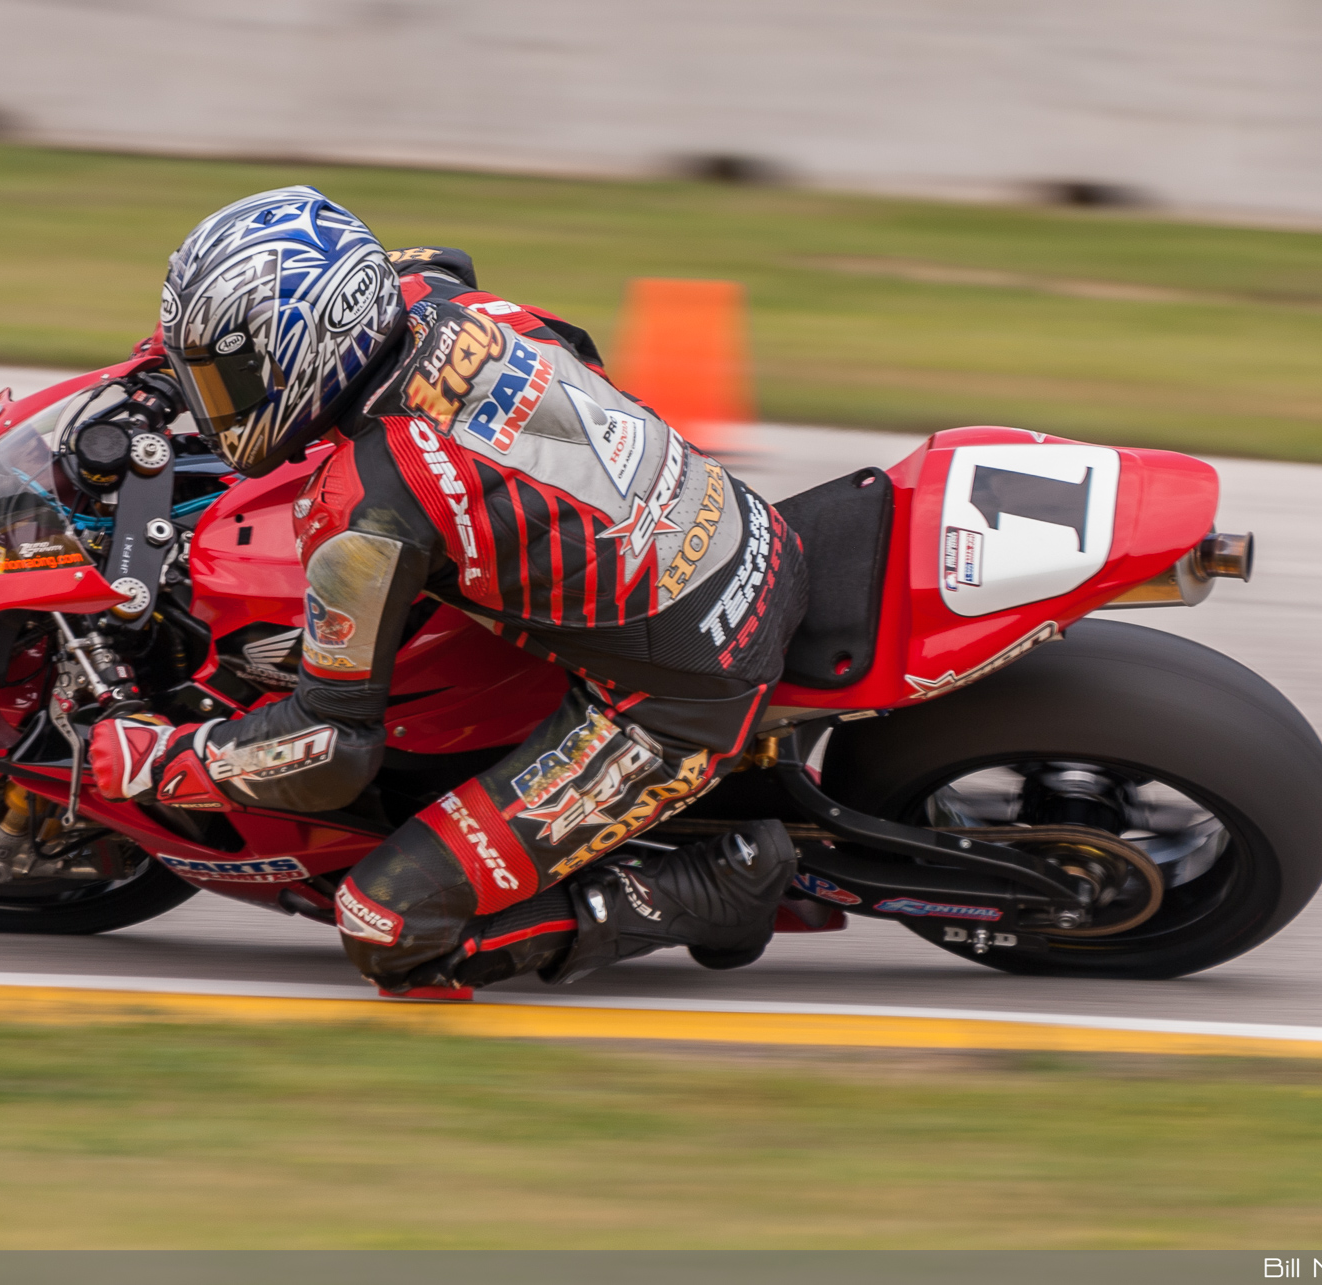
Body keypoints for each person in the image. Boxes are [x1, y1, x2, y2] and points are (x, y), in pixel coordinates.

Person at [90, 186, 805, 995]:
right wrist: (164, 360)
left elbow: (332, 750)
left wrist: (169, 761)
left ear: (307, 349)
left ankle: (708, 892)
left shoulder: (364, 502)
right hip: (737, 530)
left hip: (677, 691)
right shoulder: (429, 297)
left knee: (385, 925)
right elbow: (448, 266)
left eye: (226, 378)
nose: (216, 402)